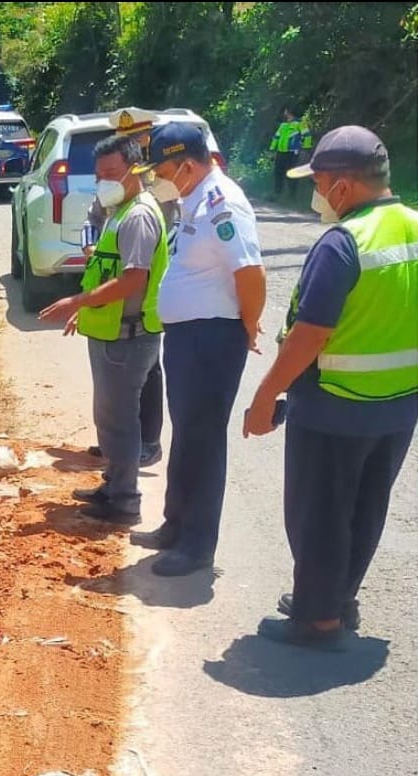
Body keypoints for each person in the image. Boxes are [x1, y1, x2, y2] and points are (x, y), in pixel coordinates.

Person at [243, 126, 417, 649]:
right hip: (398, 405)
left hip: (334, 406)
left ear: (342, 186)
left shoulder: (345, 243)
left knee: (318, 513)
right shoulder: (412, 227)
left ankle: (318, 619)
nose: (315, 193)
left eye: (318, 181)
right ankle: (339, 598)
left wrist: (264, 395)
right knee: (366, 509)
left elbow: (309, 336)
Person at [131, 123, 267, 577]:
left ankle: (197, 546)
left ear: (187, 164)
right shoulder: (193, 198)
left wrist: (248, 324)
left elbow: (250, 273)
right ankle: (176, 525)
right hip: (191, 338)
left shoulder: (221, 203)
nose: (158, 178)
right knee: (186, 435)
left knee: (204, 441)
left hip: (214, 338)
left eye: (163, 168)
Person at [40, 134, 169, 525]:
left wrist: (76, 302)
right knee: (110, 419)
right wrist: (88, 309)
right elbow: (106, 269)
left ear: (135, 170)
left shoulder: (139, 215)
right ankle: (112, 487)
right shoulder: (119, 208)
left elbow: (133, 280)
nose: (103, 182)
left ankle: (124, 501)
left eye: (111, 173)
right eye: (99, 175)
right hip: (112, 331)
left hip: (128, 337)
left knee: (120, 422)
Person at [82, 107, 174, 468]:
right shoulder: (111, 189)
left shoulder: (158, 186)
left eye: (139, 136)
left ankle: (145, 443)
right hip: (113, 295)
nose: (137, 141)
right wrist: (90, 248)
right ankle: (118, 448)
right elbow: (92, 221)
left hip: (147, 296)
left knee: (147, 378)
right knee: (117, 395)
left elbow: (174, 233)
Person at [269, 107, 303, 200]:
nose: (285, 113)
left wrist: (304, 147)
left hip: (292, 152)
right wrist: (272, 149)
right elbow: (276, 137)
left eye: (286, 111)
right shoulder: (283, 125)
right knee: (278, 172)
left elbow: (306, 136)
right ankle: (277, 193)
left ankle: (292, 195)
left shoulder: (300, 124)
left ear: (289, 112)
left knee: (291, 173)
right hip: (281, 152)